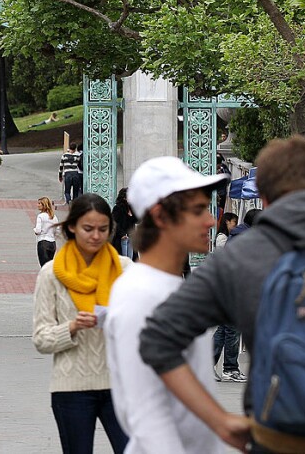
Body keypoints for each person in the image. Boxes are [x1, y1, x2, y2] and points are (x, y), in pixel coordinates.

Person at [138, 136, 305, 454]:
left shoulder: (240, 257)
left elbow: (157, 338)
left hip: (274, 437)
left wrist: (218, 421)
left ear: (263, 198)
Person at [104, 157, 227, 454]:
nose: (210, 221)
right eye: (198, 210)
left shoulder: (167, 287)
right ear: (160, 216)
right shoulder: (141, 294)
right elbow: (147, 414)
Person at [32, 193, 130, 454]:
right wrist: (72, 327)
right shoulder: (51, 274)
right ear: (72, 226)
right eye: (88, 228)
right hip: (71, 387)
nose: (96, 236)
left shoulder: (125, 269)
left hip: (121, 385)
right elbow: (41, 338)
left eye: (103, 229)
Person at [211, 211, 244, 383]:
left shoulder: (231, 236)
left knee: (224, 329)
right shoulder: (224, 238)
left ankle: (217, 366)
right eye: (233, 222)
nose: (235, 225)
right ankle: (230, 368)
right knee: (230, 329)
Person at [111, 188, 138, 260]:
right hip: (121, 238)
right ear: (124, 197)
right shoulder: (118, 208)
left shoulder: (132, 208)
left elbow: (137, 220)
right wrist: (122, 234)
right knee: (123, 260)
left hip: (131, 237)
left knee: (131, 259)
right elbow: (114, 223)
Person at [34, 197, 58, 267]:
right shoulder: (54, 217)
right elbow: (57, 231)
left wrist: (35, 230)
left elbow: (38, 231)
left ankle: (46, 278)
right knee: (49, 266)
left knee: (44, 266)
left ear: (44, 205)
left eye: (39, 203)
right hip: (52, 243)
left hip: (43, 242)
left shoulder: (40, 216)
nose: (37, 205)